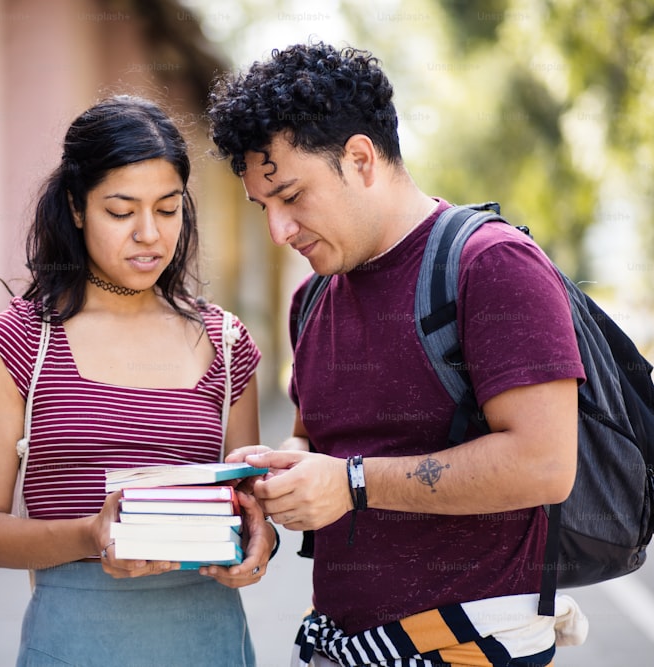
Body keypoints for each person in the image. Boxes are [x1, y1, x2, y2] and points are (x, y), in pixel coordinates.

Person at [207, 42, 587, 666]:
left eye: (293, 196)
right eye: (264, 207)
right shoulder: (311, 298)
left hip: (472, 645)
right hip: (338, 642)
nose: (278, 230)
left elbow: (544, 464)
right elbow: (316, 440)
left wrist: (352, 484)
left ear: (359, 159)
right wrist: (283, 471)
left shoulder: (490, 266)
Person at [0, 95, 275, 666]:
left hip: (207, 636)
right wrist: (90, 534)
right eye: (121, 211)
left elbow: (248, 510)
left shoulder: (227, 346)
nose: (149, 234)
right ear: (77, 209)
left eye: (168, 208)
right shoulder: (17, 345)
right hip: (75, 638)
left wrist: (261, 543)